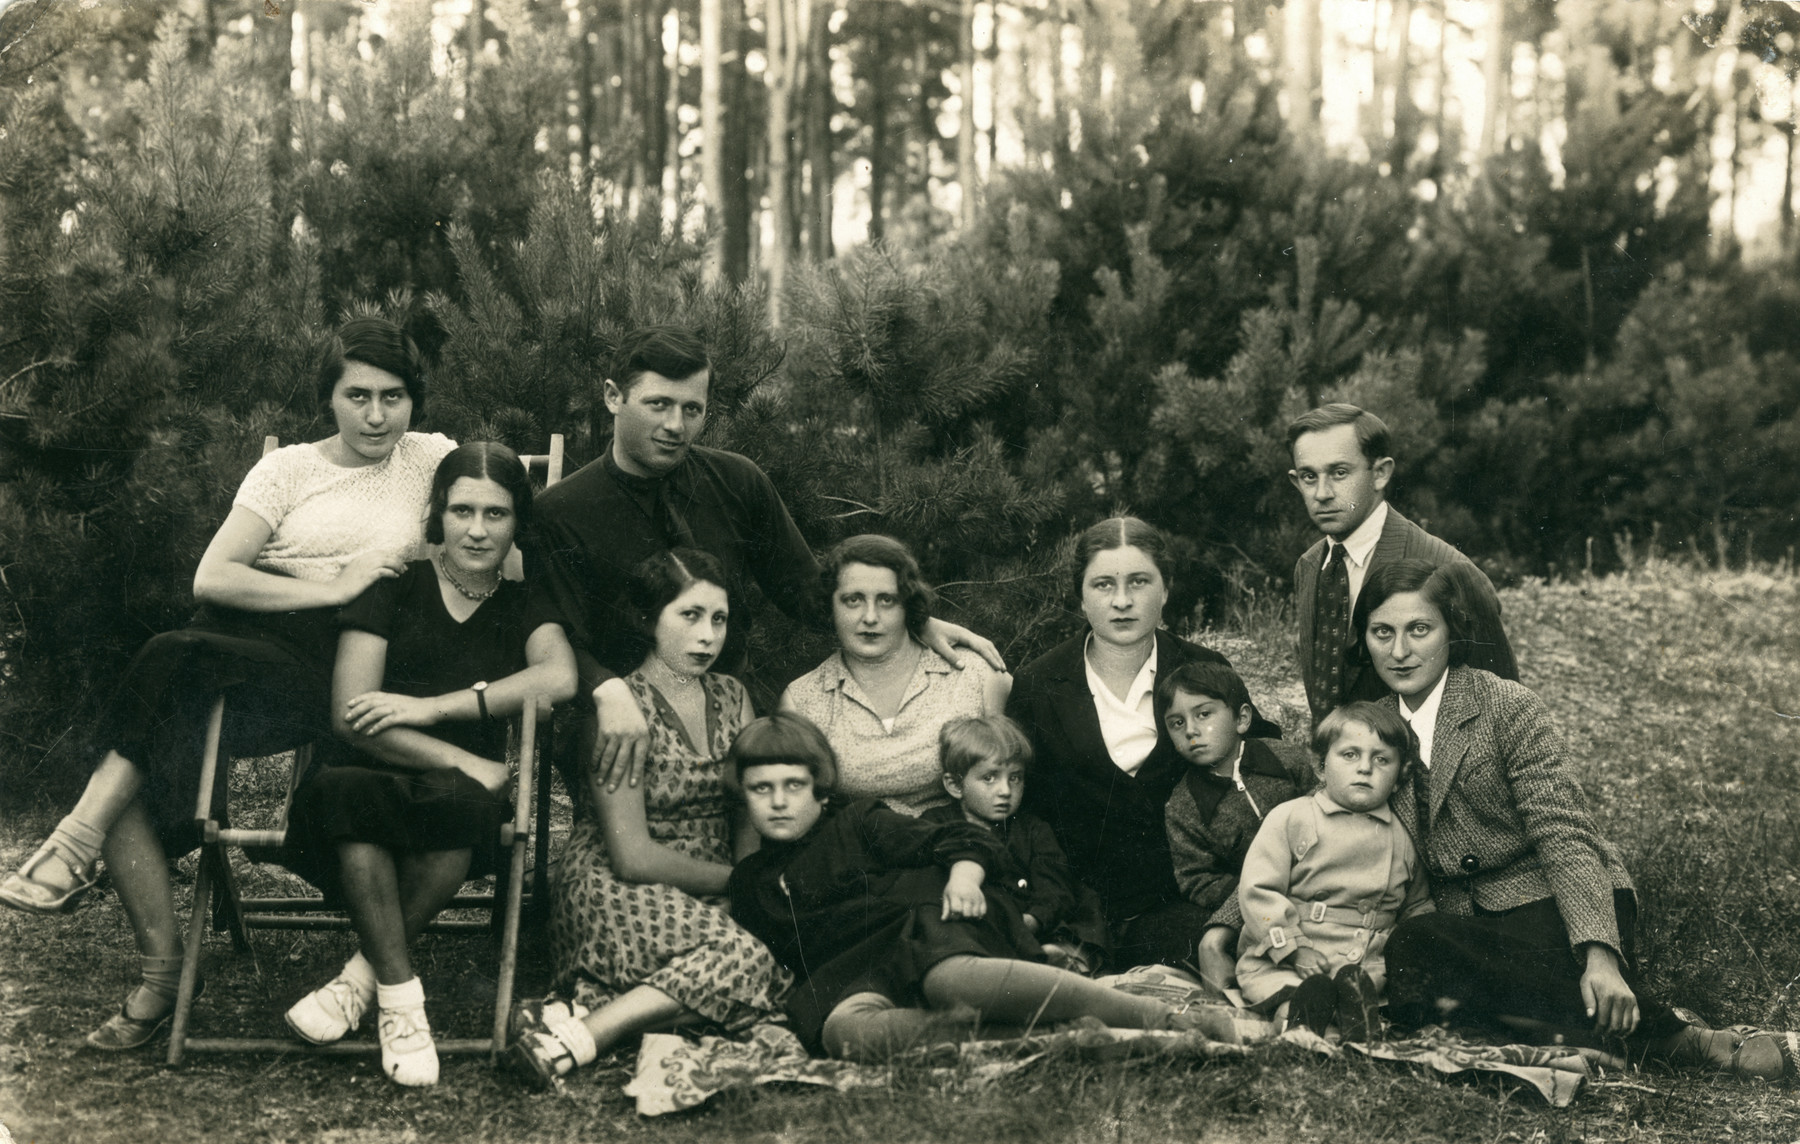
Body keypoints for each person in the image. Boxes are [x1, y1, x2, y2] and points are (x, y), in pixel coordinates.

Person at [0, 317, 456, 1051]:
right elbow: (215, 575)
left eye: (394, 397)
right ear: (328, 397)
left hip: (347, 668)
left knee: (147, 705)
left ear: (415, 401)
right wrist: (332, 584)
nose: (376, 416)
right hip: (246, 652)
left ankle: (78, 856)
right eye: (358, 395)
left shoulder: (433, 460)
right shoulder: (287, 471)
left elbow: (493, 528)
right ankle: (161, 961)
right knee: (152, 719)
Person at [1357, 558, 1796, 1080]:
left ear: (1452, 630)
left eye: (1419, 630)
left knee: (1489, 973)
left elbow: (1564, 836)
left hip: (1554, 903)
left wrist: (1600, 956)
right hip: (1465, 923)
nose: (1400, 651)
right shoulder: (1368, 730)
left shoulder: (1506, 706)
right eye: (1382, 632)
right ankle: (1597, 1036)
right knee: (1417, 942)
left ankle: (1688, 1042)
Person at [524, 325, 1003, 791]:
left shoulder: (736, 482)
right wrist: (608, 691)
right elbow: (554, 637)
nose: (675, 426)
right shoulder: (562, 510)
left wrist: (913, 621)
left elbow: (808, 591)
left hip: (732, 707)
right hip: (620, 715)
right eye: (658, 405)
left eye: (692, 409)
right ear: (613, 397)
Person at [279, 443, 577, 1086]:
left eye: (495, 514)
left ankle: (363, 980)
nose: (476, 529)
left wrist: (434, 709)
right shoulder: (395, 585)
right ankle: (403, 1001)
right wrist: (464, 758)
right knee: (361, 808)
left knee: (460, 816)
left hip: (457, 799)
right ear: (436, 514)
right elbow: (351, 715)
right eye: (461, 510)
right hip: (361, 773)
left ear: (517, 522)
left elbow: (558, 677)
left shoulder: (525, 603)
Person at [724, 713, 1223, 1061]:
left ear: (819, 785)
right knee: (846, 1035)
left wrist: (964, 874)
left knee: (950, 981)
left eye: (793, 785)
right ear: (743, 795)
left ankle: (1159, 1017)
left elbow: (960, 835)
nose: (779, 802)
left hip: (922, 932)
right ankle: (1060, 1034)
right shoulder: (750, 884)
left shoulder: (858, 820)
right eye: (761, 789)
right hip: (850, 972)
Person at [508, 548, 789, 1090]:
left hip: (713, 877)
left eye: (719, 619)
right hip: (615, 880)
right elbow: (632, 856)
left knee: (782, 962)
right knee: (751, 963)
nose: (707, 636)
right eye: (689, 616)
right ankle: (589, 1036)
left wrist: (749, 884)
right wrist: (744, 884)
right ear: (647, 620)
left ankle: (580, 1020)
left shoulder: (733, 695)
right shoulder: (618, 711)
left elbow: (747, 811)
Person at [1008, 516, 1280, 975]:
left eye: (1139, 581)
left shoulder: (1202, 666)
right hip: (1074, 904)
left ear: (1166, 589)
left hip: (1178, 901)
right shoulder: (1038, 682)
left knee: (1224, 953)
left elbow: (1261, 765)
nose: (1122, 601)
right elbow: (1023, 806)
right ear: (1080, 595)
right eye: (1103, 584)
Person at [1286, 403, 1516, 727]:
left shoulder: (1448, 569)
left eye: (1340, 473)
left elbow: (1504, 712)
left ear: (1380, 473)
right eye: (1310, 476)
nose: (1322, 493)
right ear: (1296, 481)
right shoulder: (1310, 566)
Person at [1234, 702, 1433, 1040]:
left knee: (1366, 990)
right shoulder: (1293, 818)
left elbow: (1417, 906)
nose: (1365, 769)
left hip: (1364, 960)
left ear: (1400, 776)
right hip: (1294, 955)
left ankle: (1356, 1022)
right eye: (1350, 755)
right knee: (1295, 997)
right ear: (1321, 766)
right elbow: (1258, 890)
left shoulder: (1403, 837)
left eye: (1381, 759)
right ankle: (1301, 1024)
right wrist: (1293, 948)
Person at [780, 535, 1010, 816]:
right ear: (830, 605)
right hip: (855, 852)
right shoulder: (801, 701)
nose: (870, 617)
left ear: (907, 606)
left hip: (960, 851)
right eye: (853, 600)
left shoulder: (974, 675)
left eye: (887, 600)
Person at [920, 714, 1105, 973]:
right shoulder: (936, 825)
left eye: (1015, 778)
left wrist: (1034, 920)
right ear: (955, 785)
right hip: (974, 921)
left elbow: (1053, 883)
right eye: (989, 778)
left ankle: (1067, 955)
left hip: (1031, 920)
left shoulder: (1032, 829)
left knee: (1084, 903)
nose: (1005, 790)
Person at [1160, 660, 1308, 928]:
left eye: (1203, 714)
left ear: (1242, 719)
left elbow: (1329, 806)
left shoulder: (1288, 760)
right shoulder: (1183, 807)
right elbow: (1197, 879)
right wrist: (1254, 892)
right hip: (1258, 911)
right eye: (1177, 723)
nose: (1191, 730)